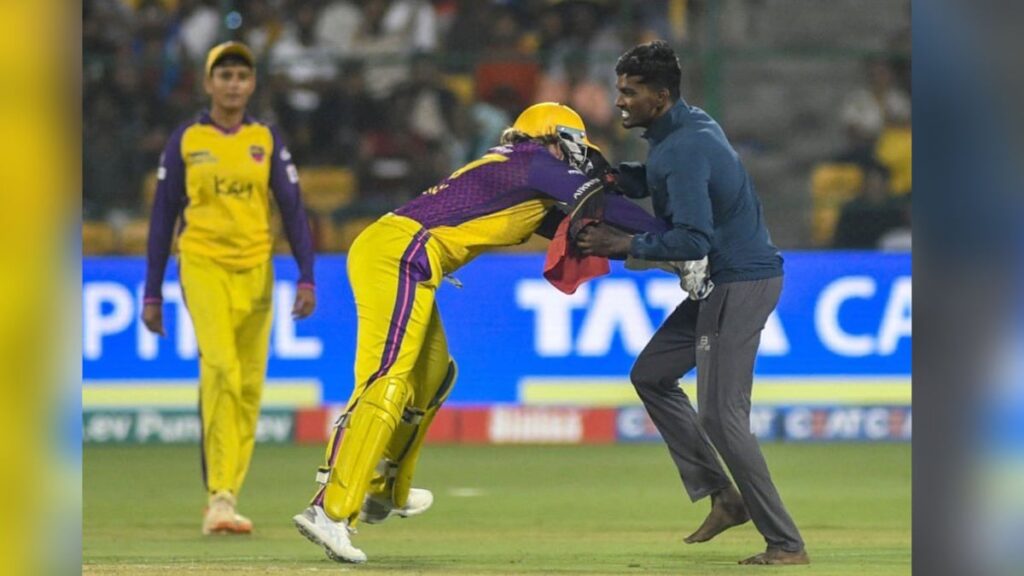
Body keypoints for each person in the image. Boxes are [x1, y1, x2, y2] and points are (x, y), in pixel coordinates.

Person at [292, 103, 660, 564]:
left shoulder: (523, 175)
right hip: (399, 254)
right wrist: (679, 234)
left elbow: (593, 229)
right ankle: (330, 510)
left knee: (433, 378)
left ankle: (384, 489)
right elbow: (602, 205)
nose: (580, 156)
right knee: (386, 378)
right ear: (554, 137)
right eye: (576, 146)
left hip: (402, 254)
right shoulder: (534, 162)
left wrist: (668, 249)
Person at [576, 40, 810, 565]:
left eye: (629, 93)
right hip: (724, 282)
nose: (620, 102)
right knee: (652, 374)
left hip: (737, 283)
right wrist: (611, 175)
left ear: (659, 97)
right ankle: (723, 496)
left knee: (723, 417)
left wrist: (622, 245)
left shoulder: (682, 149)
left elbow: (694, 240)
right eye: (620, 91)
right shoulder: (684, 128)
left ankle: (786, 544)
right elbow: (660, 180)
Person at [142, 41, 317, 536]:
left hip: (256, 269)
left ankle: (228, 496)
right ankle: (218, 494)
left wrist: (306, 275)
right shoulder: (187, 139)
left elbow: (293, 209)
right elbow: (162, 217)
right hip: (201, 263)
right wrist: (152, 293)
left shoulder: (266, 139)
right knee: (218, 367)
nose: (233, 84)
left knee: (247, 386)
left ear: (253, 83)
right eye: (224, 76)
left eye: (242, 75)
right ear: (208, 83)